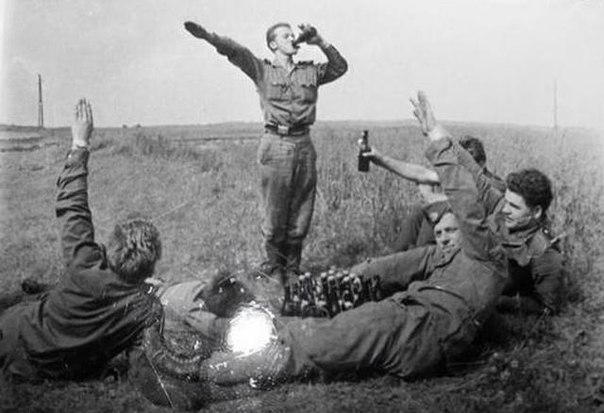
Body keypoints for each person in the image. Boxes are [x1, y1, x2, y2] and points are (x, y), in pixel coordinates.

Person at [130, 91, 509, 409]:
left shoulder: (488, 253)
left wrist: (437, 138)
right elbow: (388, 268)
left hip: (416, 332)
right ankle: (211, 370)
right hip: (406, 319)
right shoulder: (459, 248)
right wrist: (331, 287)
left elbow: (467, 199)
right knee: (319, 324)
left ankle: (194, 370)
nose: (446, 231)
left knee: (309, 341)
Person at [0, 99, 164, 381]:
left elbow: (72, 205)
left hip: (14, 338)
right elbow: (142, 357)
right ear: (150, 266)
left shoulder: (85, 262)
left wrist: (80, 143)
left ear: (111, 248)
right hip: (54, 371)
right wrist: (145, 291)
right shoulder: (147, 310)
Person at [353, 99, 563, 316]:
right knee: (373, 272)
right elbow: (467, 164)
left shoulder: (544, 253)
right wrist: (433, 130)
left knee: (401, 308)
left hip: (465, 284)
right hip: (447, 257)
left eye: (514, 207)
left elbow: (545, 306)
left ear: (536, 212)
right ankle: (349, 284)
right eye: (507, 202)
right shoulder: (500, 205)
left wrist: (497, 302)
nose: (505, 209)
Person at [183, 20, 348, 283]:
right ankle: (274, 267)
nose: (292, 38)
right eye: (285, 36)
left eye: (293, 35)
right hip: (275, 144)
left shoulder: (310, 71)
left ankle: (292, 268)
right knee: (274, 212)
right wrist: (208, 36)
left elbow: (340, 67)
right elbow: (236, 51)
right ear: (273, 44)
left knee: (302, 210)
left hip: (304, 144)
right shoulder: (262, 70)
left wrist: (320, 41)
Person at [391, 135, 506, 252]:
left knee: (438, 211)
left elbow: (465, 200)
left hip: (475, 235)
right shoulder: (463, 176)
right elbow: (422, 174)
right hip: (460, 224)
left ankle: (422, 253)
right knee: (418, 213)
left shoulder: (494, 185)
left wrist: (432, 197)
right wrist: (382, 159)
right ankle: (396, 257)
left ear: (481, 164)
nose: (460, 171)